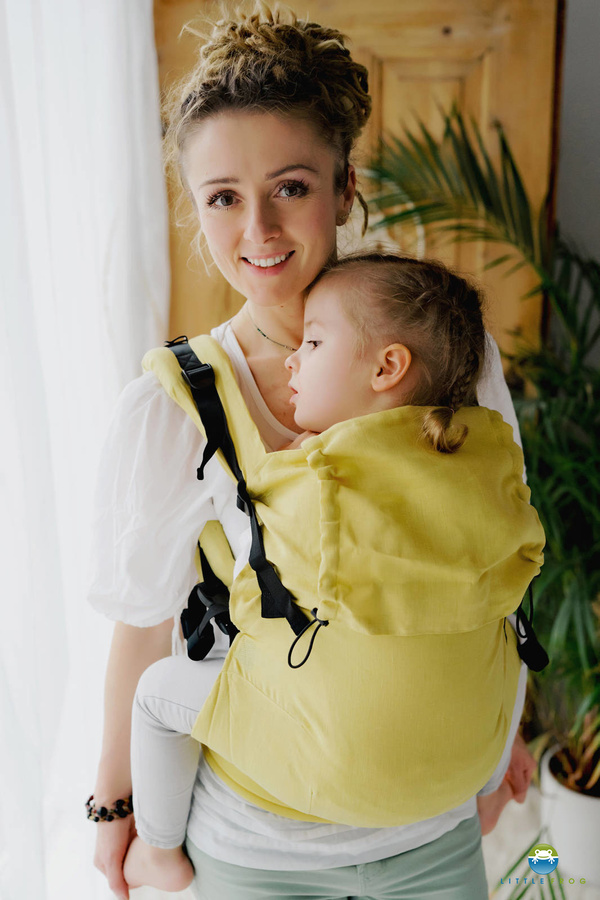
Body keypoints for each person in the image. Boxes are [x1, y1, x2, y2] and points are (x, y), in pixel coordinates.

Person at [88, 6, 538, 899]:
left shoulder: (451, 356)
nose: (258, 228)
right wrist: (116, 812)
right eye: (222, 197)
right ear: (197, 208)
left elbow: (489, 556)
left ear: (344, 186)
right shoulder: (177, 404)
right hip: (255, 849)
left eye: (290, 186)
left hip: (434, 832)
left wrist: (504, 737)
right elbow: (142, 628)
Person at [119, 253, 544, 893]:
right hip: (460, 772)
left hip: (317, 766)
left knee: (155, 695)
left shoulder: (310, 475)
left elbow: (228, 578)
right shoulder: (483, 463)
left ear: (387, 367)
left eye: (314, 343)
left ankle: (156, 851)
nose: (293, 358)